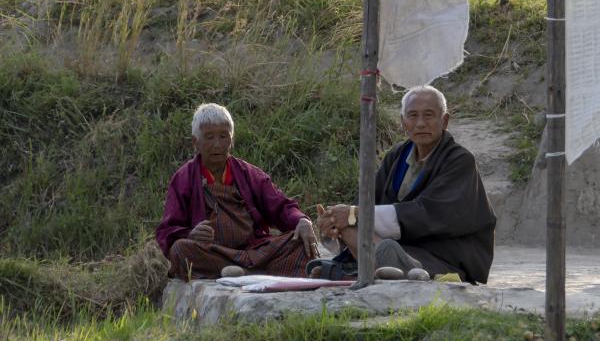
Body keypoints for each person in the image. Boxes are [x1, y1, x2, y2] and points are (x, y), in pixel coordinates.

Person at [315, 86, 495, 282]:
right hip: (396, 245)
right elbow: (366, 200)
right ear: (403, 122)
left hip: (442, 254)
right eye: (412, 116)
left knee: (357, 220)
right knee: (349, 224)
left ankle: (397, 266)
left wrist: (355, 213)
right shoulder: (398, 155)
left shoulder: (460, 160)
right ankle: (388, 265)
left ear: (444, 121)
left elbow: (427, 214)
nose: (420, 123)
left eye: (428, 115)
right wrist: (334, 221)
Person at [156, 103, 318, 280]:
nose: (217, 145)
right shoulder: (184, 178)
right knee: (180, 250)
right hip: (213, 252)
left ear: (231, 140)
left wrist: (302, 221)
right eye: (209, 137)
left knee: (300, 242)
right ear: (196, 142)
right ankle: (256, 271)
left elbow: (280, 206)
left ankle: (244, 272)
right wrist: (190, 234)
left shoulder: (248, 173)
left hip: (253, 249)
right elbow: (167, 231)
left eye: (223, 136)